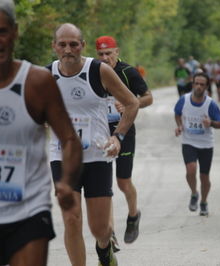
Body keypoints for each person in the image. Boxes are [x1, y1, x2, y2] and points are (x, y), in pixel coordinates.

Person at [0, 1, 82, 266]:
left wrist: (67, 181)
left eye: (1, 32)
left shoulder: (37, 82)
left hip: (29, 211)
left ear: (15, 31)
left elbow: (69, 138)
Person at [48, 24, 139, 266]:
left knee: (100, 228)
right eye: (63, 44)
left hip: (97, 156)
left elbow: (131, 104)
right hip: (62, 157)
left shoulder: (98, 71)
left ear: (82, 46)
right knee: (71, 219)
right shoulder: (45, 76)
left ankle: (104, 247)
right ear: (54, 46)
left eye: (73, 44)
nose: (68, 50)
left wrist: (118, 137)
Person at [95, 36, 153, 246]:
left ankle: (133, 215)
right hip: (101, 134)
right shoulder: (93, 72)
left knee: (122, 182)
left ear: (117, 52)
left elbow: (148, 97)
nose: (105, 58)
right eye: (100, 54)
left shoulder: (128, 72)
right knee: (103, 184)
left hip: (125, 132)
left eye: (108, 53)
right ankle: (109, 232)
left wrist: (131, 103)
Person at [174, 72, 220, 216]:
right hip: (188, 142)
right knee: (191, 169)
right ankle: (194, 193)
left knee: (204, 177)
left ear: (207, 87)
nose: (198, 87)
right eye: (196, 83)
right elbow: (177, 113)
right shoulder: (183, 100)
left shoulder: (211, 104)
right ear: (192, 84)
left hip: (206, 144)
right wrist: (179, 126)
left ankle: (203, 202)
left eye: (202, 84)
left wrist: (211, 123)